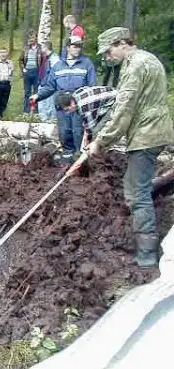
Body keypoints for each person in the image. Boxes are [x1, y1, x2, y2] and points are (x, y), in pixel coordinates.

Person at [68, 27, 174, 268]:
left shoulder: (135, 66)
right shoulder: (148, 59)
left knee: (137, 193)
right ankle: (145, 243)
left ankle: (146, 256)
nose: (107, 58)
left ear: (122, 43)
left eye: (108, 52)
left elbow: (124, 110)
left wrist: (101, 142)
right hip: (152, 132)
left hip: (146, 135)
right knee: (135, 186)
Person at [31, 36, 97, 161]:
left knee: (78, 132)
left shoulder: (87, 64)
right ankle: (66, 159)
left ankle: (79, 160)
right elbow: (50, 87)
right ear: (67, 47)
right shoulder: (58, 66)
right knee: (64, 133)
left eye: (80, 46)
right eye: (75, 46)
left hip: (79, 107)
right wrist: (38, 96)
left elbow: (92, 87)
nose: (78, 49)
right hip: (62, 107)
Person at [19, 32, 44, 113]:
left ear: (36, 38)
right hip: (27, 72)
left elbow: (43, 61)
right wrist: (23, 69)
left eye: (33, 37)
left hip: (37, 71)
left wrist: (41, 71)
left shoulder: (40, 48)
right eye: (30, 38)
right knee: (27, 92)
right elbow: (21, 60)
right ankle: (26, 111)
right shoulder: (26, 48)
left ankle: (36, 111)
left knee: (36, 92)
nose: (31, 39)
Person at [37, 41, 61, 122]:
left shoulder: (54, 59)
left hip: (49, 86)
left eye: (42, 47)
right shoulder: (45, 57)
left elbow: (55, 73)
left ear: (46, 48)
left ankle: (51, 123)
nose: (40, 49)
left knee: (50, 107)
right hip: (42, 84)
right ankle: (43, 123)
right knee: (41, 107)